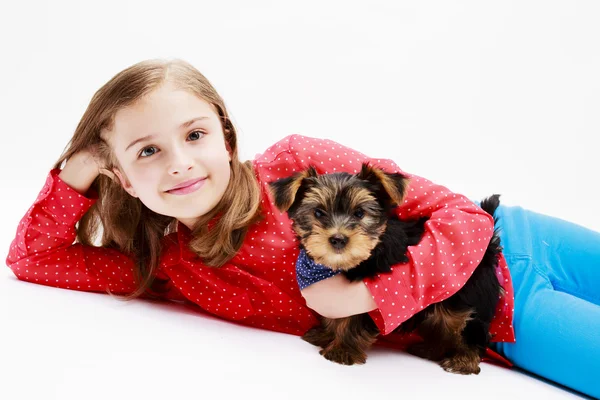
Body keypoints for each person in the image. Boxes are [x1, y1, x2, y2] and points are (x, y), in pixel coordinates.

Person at [5, 59, 598, 399]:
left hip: (514, 236)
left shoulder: (296, 161)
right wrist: (77, 167)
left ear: (227, 137)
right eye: (147, 152)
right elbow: (31, 258)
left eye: (194, 135)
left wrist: (369, 293)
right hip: (493, 319)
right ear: (125, 179)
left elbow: (459, 214)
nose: (180, 162)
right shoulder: (173, 267)